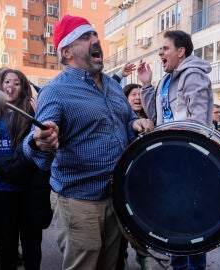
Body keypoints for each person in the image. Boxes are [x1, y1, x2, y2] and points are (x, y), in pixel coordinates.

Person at [22, 14, 154, 270]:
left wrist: (135, 124)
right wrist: (41, 141)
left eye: (95, 34)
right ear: (67, 51)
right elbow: (36, 140)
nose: (96, 40)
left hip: (115, 196)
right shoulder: (55, 90)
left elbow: (126, 121)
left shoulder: (114, 87)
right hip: (79, 201)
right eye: (85, 36)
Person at [138, 30, 213, 270]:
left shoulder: (193, 76)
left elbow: (198, 120)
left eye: (165, 48)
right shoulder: (167, 79)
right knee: (173, 218)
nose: (160, 52)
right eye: (160, 48)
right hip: (170, 161)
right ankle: (178, 266)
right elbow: (156, 116)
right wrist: (147, 84)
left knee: (191, 221)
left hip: (188, 160)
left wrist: (182, 153)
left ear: (181, 52)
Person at [0, 68, 51, 270]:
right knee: (6, 244)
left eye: (17, 83)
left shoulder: (33, 111)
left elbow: (46, 142)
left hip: (29, 189)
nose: (11, 87)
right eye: (7, 82)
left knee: (32, 244)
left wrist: (41, 113)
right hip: (1, 189)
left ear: (23, 87)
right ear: (0, 86)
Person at [116, 83, 151, 270]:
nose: (138, 97)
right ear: (125, 99)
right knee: (121, 225)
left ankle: (143, 256)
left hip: (144, 184)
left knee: (142, 224)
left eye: (140, 94)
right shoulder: (120, 121)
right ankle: (121, 258)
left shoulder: (151, 120)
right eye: (133, 94)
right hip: (124, 181)